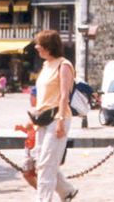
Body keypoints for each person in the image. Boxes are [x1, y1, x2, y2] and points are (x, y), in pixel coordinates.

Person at [32, 28, 78, 201]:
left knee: (45, 165)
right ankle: (67, 191)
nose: (36, 47)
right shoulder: (45, 66)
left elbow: (64, 95)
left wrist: (59, 120)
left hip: (57, 118)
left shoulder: (63, 65)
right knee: (42, 161)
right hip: (42, 119)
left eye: (40, 44)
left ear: (48, 46)